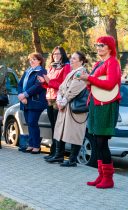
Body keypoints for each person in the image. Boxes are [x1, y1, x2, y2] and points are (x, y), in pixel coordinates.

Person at [78, 36, 121, 189]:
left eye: (102, 45)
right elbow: (93, 87)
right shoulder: (98, 64)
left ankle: (108, 179)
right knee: (97, 141)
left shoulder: (113, 62)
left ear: (110, 47)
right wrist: (86, 80)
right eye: (97, 45)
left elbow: (110, 85)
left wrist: (89, 79)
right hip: (96, 104)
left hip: (107, 105)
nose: (98, 47)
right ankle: (101, 175)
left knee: (102, 142)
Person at [45, 51, 89, 166]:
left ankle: (72, 160)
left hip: (76, 109)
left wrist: (62, 102)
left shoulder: (82, 72)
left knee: (75, 133)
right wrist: (59, 100)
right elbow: (61, 88)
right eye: (71, 58)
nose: (71, 60)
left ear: (81, 61)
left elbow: (72, 90)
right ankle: (59, 156)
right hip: (65, 106)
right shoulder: (72, 73)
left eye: (74, 59)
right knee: (60, 130)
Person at [37, 46, 71, 159]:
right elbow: (48, 84)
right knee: (53, 126)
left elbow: (64, 85)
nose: (55, 55)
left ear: (63, 55)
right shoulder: (51, 67)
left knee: (58, 127)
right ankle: (53, 152)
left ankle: (59, 154)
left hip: (59, 99)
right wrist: (44, 82)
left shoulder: (66, 67)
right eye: (54, 53)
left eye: (58, 53)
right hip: (49, 98)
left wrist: (49, 82)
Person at [17, 52, 47, 154]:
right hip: (25, 101)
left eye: (34, 59)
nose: (31, 61)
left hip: (36, 102)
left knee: (32, 123)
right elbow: (20, 84)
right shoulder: (27, 71)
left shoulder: (41, 71)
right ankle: (30, 145)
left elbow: (38, 86)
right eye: (30, 59)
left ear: (39, 60)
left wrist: (25, 95)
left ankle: (37, 146)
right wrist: (21, 96)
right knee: (29, 123)